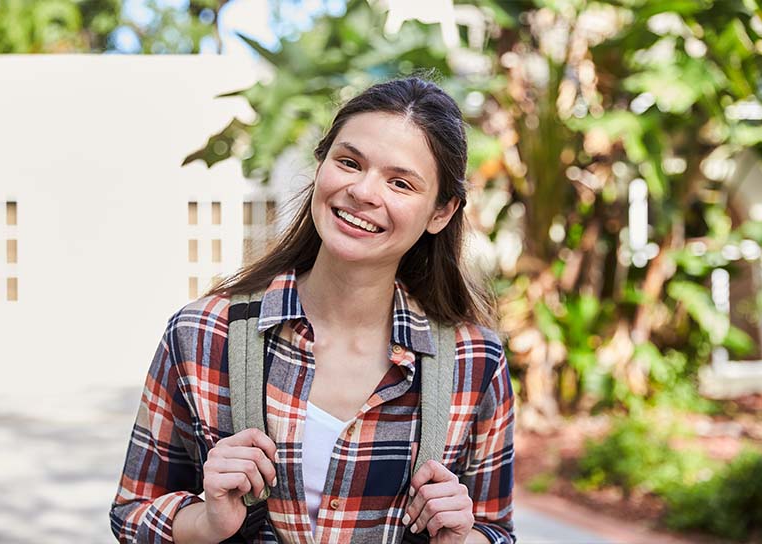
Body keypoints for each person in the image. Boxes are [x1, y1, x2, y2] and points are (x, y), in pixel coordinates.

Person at [110, 77, 516, 544]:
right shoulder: (202, 334)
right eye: (349, 162)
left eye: (400, 182)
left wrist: (463, 538)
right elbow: (132, 513)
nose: (364, 191)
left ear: (441, 212)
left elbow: (495, 529)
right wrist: (207, 522)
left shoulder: (476, 363)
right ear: (321, 166)